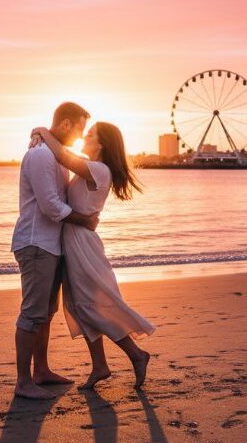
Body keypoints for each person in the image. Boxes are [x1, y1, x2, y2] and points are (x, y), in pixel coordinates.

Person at [30, 121, 155, 390]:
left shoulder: (99, 169)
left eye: (90, 134)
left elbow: (62, 155)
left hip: (82, 242)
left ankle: (136, 354)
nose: (84, 137)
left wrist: (42, 130)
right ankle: (100, 365)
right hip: (73, 239)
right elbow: (62, 153)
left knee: (90, 304)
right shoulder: (91, 166)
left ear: (101, 144)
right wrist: (44, 137)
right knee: (77, 305)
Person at [11, 102, 99, 400]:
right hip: (36, 243)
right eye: (80, 129)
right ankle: (23, 382)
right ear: (65, 125)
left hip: (50, 245)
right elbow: (50, 206)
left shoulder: (54, 155)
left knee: (46, 314)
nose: (80, 136)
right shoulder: (40, 156)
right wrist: (84, 220)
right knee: (32, 313)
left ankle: (41, 371)